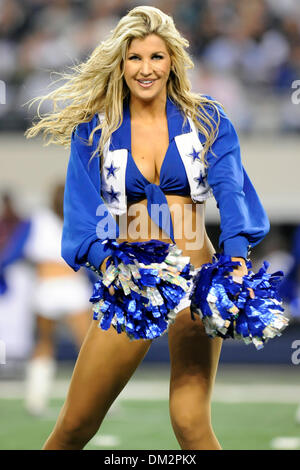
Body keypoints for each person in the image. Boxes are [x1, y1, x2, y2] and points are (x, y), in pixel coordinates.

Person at [25, 6, 269, 450]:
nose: (146, 69)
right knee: (74, 427)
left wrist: (234, 260)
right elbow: (81, 220)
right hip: (133, 287)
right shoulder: (95, 130)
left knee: (191, 424)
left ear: (172, 60)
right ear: (121, 64)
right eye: (135, 58)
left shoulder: (208, 119)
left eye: (156, 57)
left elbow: (234, 194)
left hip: (198, 283)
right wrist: (112, 266)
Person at [23, 183, 92, 416]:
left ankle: (36, 399)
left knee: (45, 343)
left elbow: (19, 249)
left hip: (51, 287)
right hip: (66, 287)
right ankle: (99, 400)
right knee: (88, 346)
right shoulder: (78, 217)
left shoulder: (39, 220)